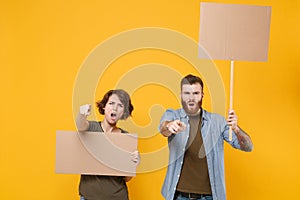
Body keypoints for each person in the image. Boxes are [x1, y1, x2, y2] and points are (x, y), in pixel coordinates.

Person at [159, 74, 253, 200]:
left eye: (196, 93)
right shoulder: (172, 115)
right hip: (178, 196)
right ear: (181, 95)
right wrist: (170, 126)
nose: (191, 98)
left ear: (202, 95)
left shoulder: (218, 122)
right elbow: (163, 129)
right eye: (187, 93)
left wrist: (236, 128)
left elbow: (248, 147)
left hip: (209, 197)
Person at [76, 89, 140, 200]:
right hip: (88, 196)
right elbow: (80, 125)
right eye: (111, 103)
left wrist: (133, 164)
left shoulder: (126, 138)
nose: (114, 108)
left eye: (120, 105)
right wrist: (82, 114)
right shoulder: (91, 128)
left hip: (117, 196)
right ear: (104, 107)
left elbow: (126, 178)